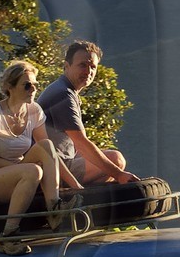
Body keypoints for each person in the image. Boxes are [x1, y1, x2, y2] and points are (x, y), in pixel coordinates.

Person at [0, 60, 78, 254]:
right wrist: (21, 167)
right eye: (27, 85)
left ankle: (54, 208)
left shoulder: (34, 110)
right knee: (33, 170)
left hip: (15, 171)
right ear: (9, 87)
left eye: (35, 85)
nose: (33, 89)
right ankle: (9, 236)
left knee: (45, 145)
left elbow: (50, 154)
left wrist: (75, 185)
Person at [37, 40, 137, 185]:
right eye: (82, 65)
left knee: (110, 159)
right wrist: (118, 174)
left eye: (93, 67)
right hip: (52, 168)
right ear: (66, 66)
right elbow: (81, 143)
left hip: (61, 160)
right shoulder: (62, 94)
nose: (88, 71)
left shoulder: (65, 90)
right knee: (116, 159)